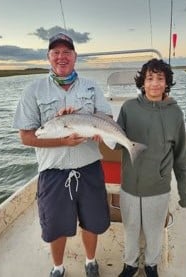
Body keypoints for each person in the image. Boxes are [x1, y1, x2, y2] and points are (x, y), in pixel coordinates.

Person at [13, 32, 112, 277]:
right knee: (55, 226)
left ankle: (90, 261)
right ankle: (58, 267)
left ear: (75, 56)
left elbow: (106, 118)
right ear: (48, 57)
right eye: (56, 52)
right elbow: (26, 137)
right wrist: (62, 139)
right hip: (53, 172)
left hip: (89, 168)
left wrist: (100, 130)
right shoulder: (33, 90)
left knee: (93, 221)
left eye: (66, 52)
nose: (61, 57)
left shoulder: (92, 86)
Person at [116, 59, 186, 277]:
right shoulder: (128, 108)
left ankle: (151, 265)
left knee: (154, 232)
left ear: (167, 82)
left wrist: (184, 193)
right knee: (130, 230)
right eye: (150, 78)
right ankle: (130, 265)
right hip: (129, 185)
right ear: (142, 82)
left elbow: (182, 157)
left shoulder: (175, 113)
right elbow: (114, 139)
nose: (155, 84)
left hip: (158, 187)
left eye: (160, 78)